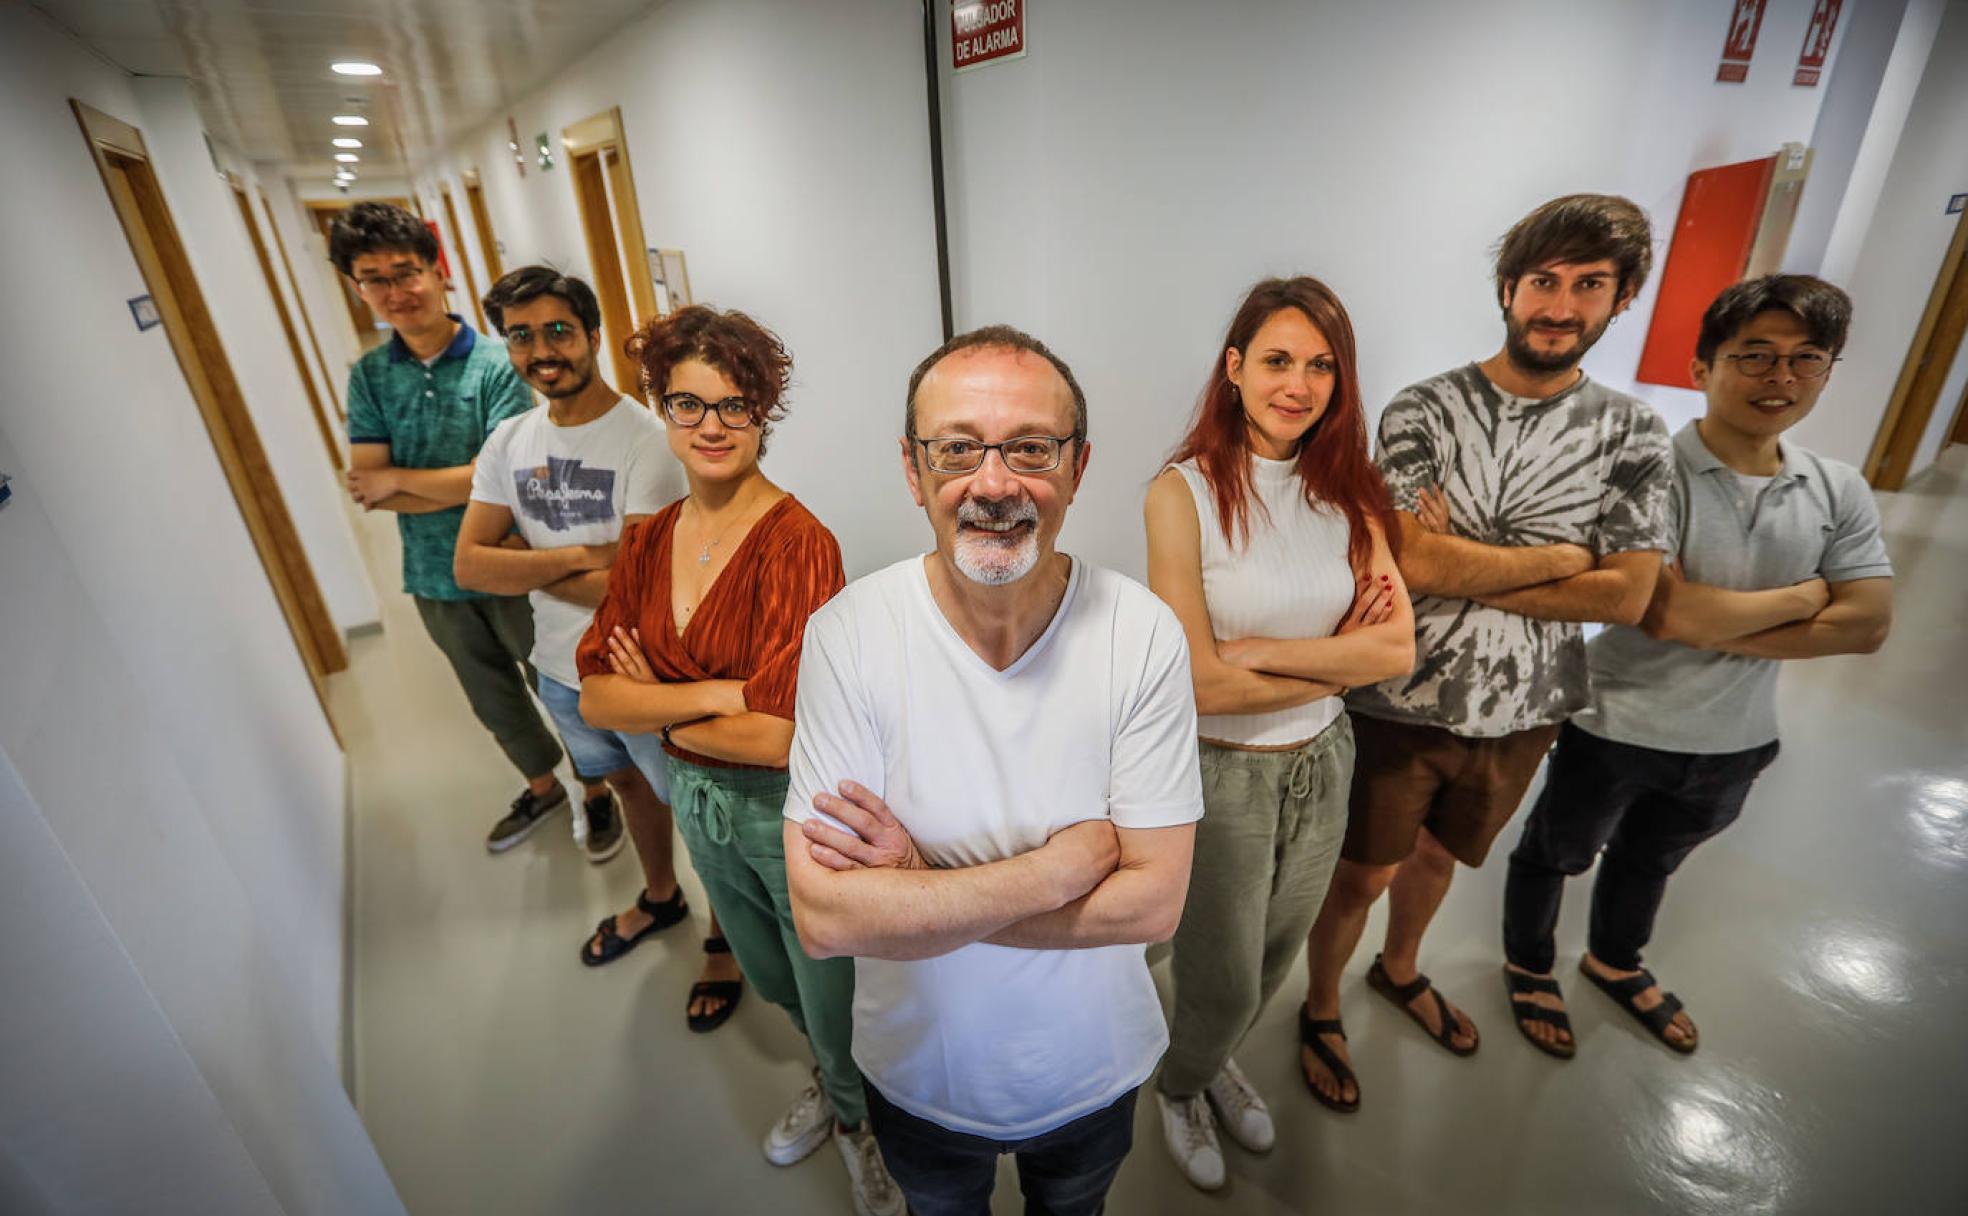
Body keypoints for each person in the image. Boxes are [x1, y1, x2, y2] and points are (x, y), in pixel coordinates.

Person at [782, 325, 1203, 1216]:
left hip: (1094, 1067)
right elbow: (825, 916)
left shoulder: (1140, 635)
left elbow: (1154, 903)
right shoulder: (849, 635)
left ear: (1078, 467)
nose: (995, 482)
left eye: (1030, 449)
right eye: (958, 449)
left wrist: (914, 892)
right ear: (913, 468)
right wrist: (1057, 870)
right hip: (920, 1072)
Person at [1301, 194, 1672, 1111]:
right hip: (1400, 695)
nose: (1560, 304)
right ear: (1508, 287)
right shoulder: (1423, 408)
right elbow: (1411, 557)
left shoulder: (1632, 433)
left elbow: (1626, 595)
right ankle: (1317, 1008)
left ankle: (1400, 968)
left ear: (1621, 299)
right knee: (1362, 871)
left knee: (1437, 862)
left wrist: (1464, 558)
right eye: (1543, 280)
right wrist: (1560, 556)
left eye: (1589, 285)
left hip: (1528, 704)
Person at [1500, 275, 1893, 1056]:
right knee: (1556, 850)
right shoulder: (1650, 472)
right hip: (1617, 719)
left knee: (1651, 862)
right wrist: (1807, 595)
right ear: (1701, 369)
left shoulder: (1837, 488)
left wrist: (1715, 619)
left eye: (1805, 359)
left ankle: (1615, 961)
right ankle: (1528, 963)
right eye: (1755, 356)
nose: (1780, 379)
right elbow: (1663, 612)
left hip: (1734, 740)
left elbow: (1868, 625)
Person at [574, 306, 901, 1216]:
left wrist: (665, 708)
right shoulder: (646, 540)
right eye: (688, 404)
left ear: (764, 413)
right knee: (765, 973)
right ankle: (840, 1084)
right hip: (701, 803)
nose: (711, 427)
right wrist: (717, 693)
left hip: (793, 806)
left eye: (736, 405)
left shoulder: (800, 543)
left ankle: (857, 1118)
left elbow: (784, 733)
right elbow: (599, 694)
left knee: (829, 984)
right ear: (661, 407)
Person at [1144, 278, 1414, 1189]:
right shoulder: (1179, 494)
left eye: (1320, 366)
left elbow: (1397, 649)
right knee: (1217, 971)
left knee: (1272, 958)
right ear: (1234, 369)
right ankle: (1180, 1085)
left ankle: (1209, 1057)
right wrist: (1332, 652)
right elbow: (1196, 681)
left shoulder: (1354, 497)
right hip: (1219, 772)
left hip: (1324, 761)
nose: (1297, 384)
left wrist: (1256, 649)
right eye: (1276, 360)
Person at [453, 267, 740, 1025]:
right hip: (559, 671)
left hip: (644, 674)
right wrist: (576, 559)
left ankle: (726, 936)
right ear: (507, 347)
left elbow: (637, 589)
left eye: (557, 330)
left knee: (695, 809)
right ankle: (661, 897)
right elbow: (470, 563)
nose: (542, 350)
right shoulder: (508, 440)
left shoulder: (647, 443)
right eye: (521, 335)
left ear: (588, 335)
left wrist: (528, 559)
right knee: (626, 789)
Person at [332, 202, 582, 849]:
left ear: (438, 270)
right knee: (490, 697)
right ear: (358, 290)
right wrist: (458, 481)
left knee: (558, 683)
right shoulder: (370, 377)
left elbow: (502, 478)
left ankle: (597, 789)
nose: (397, 291)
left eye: (406, 271)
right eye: (375, 279)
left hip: (513, 559)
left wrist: (404, 479)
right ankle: (543, 789)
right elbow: (369, 486)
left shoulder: (502, 362)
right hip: (433, 575)